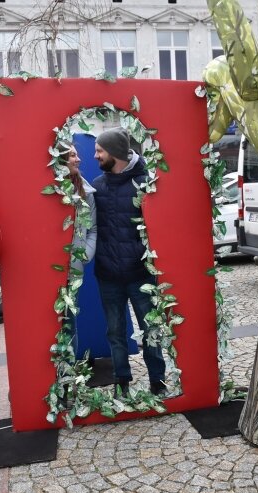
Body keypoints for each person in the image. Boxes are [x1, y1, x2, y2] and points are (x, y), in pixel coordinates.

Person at [91, 127, 166, 397]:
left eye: (100, 150)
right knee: (115, 331)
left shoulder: (146, 182)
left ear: (115, 153)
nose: (96, 155)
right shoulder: (97, 185)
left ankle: (158, 380)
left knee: (151, 330)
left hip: (140, 273)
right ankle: (121, 381)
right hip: (108, 274)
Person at [58, 141, 97, 354]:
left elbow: (93, 229)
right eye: (72, 155)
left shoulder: (86, 192)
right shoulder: (49, 190)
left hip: (73, 270)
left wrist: (84, 256)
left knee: (69, 322)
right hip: (47, 270)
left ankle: (69, 376)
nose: (78, 159)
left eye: (76, 154)